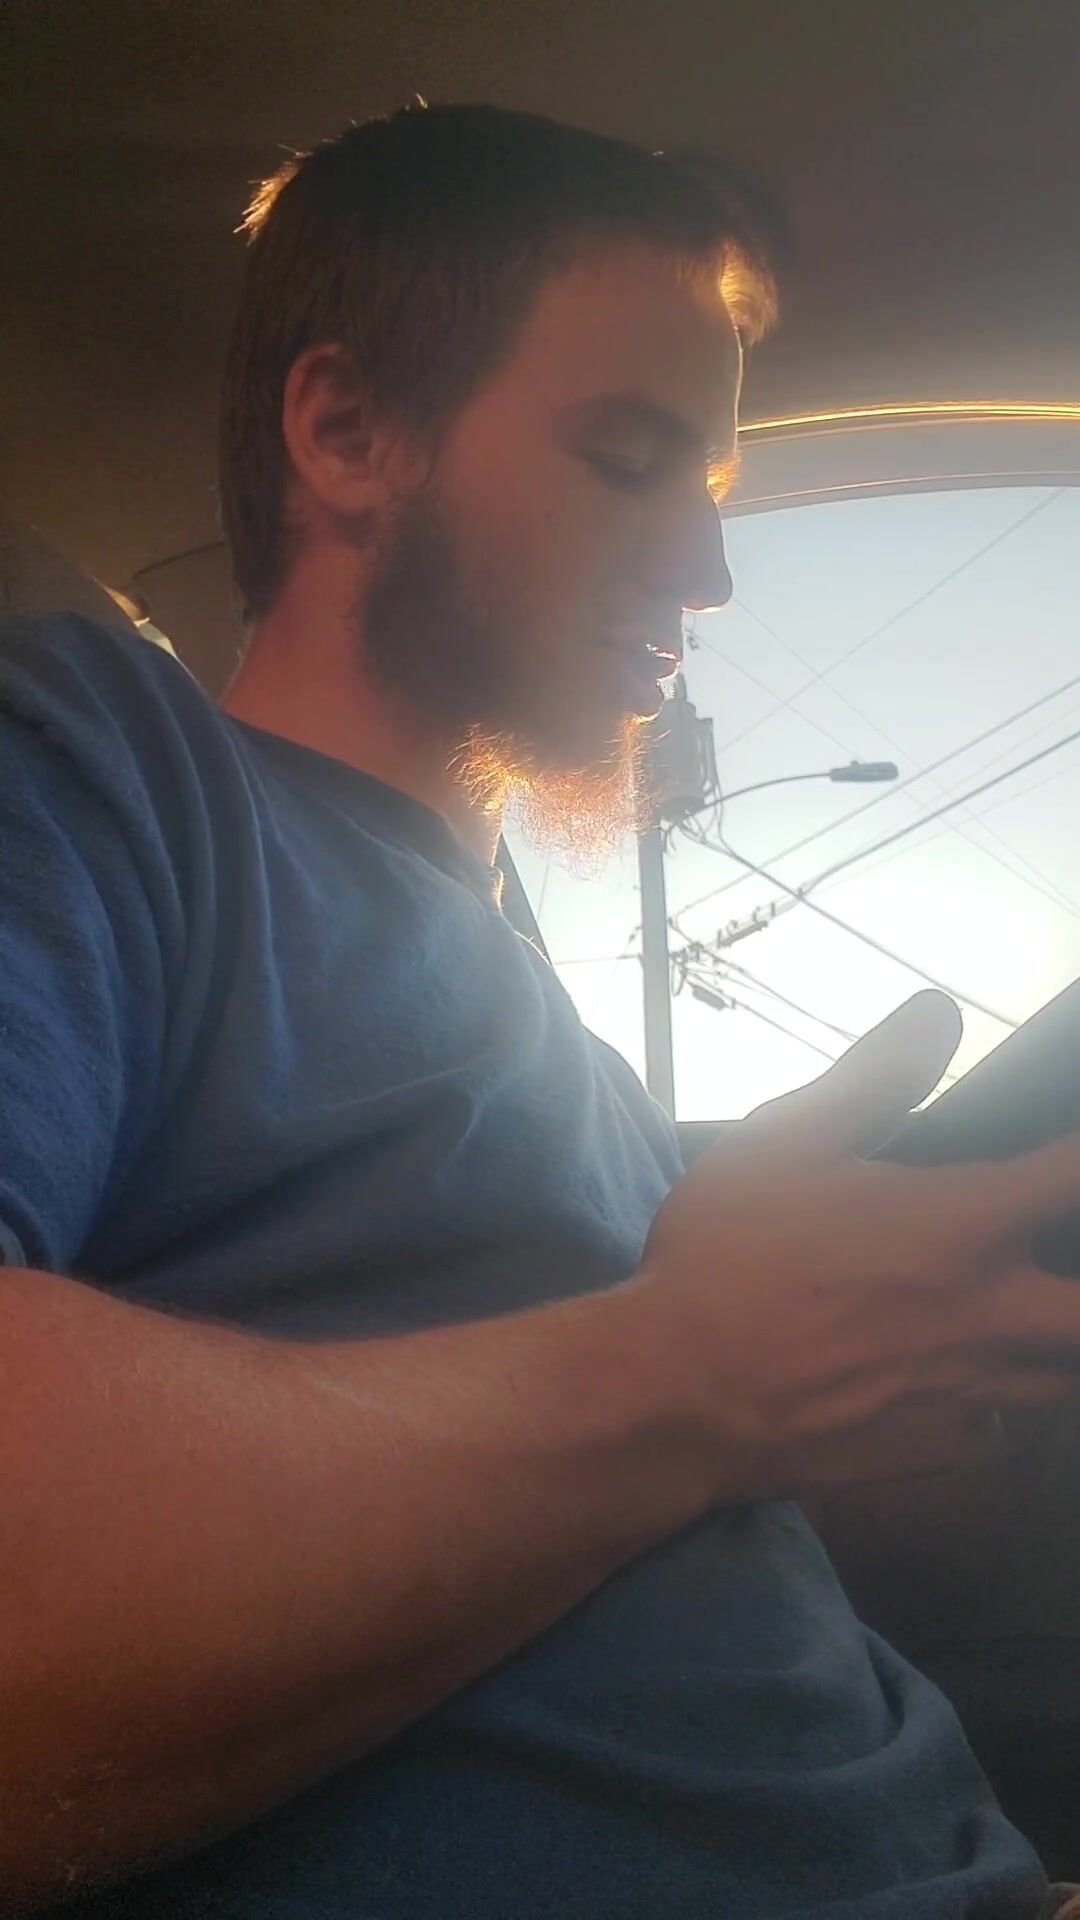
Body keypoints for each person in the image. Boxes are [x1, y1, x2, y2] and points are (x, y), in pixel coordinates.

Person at [3, 102, 1080, 1920]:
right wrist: (695, 1371)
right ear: (348, 435)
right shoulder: (106, 772)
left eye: (709, 487)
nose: (707, 572)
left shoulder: (553, 1032)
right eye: (629, 458)